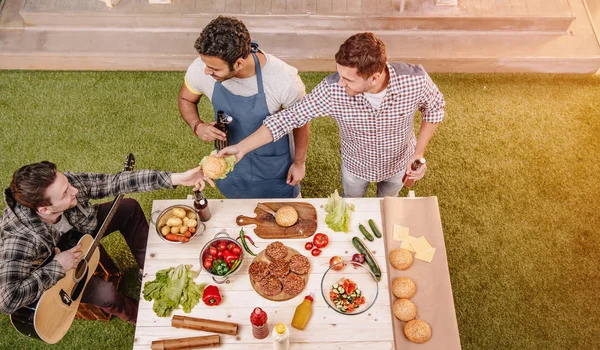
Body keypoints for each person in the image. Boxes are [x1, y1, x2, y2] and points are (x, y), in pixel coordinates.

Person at [217, 32, 446, 198]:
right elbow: (288, 118)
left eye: (348, 79)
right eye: (339, 74)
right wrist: (241, 148)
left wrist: (419, 152)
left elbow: (435, 107)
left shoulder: (415, 80)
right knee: (351, 207)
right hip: (356, 165)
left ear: (374, 77)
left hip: (400, 163)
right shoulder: (332, 89)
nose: (340, 82)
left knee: (387, 206)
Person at [0, 161, 213, 324]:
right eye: (65, 193)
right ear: (44, 209)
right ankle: (142, 317)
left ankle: (150, 269)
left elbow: (115, 182)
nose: (74, 191)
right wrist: (57, 266)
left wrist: (177, 178)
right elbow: (7, 299)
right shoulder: (19, 238)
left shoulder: (67, 187)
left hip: (81, 230)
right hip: (59, 267)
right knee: (106, 294)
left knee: (127, 208)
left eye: (67, 183)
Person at [178, 16, 309, 199]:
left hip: (273, 165)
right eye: (206, 65)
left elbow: (300, 122)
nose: (207, 72)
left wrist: (299, 163)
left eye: (214, 69)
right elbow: (186, 98)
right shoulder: (203, 67)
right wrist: (197, 125)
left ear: (239, 63)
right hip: (230, 161)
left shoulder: (284, 79)